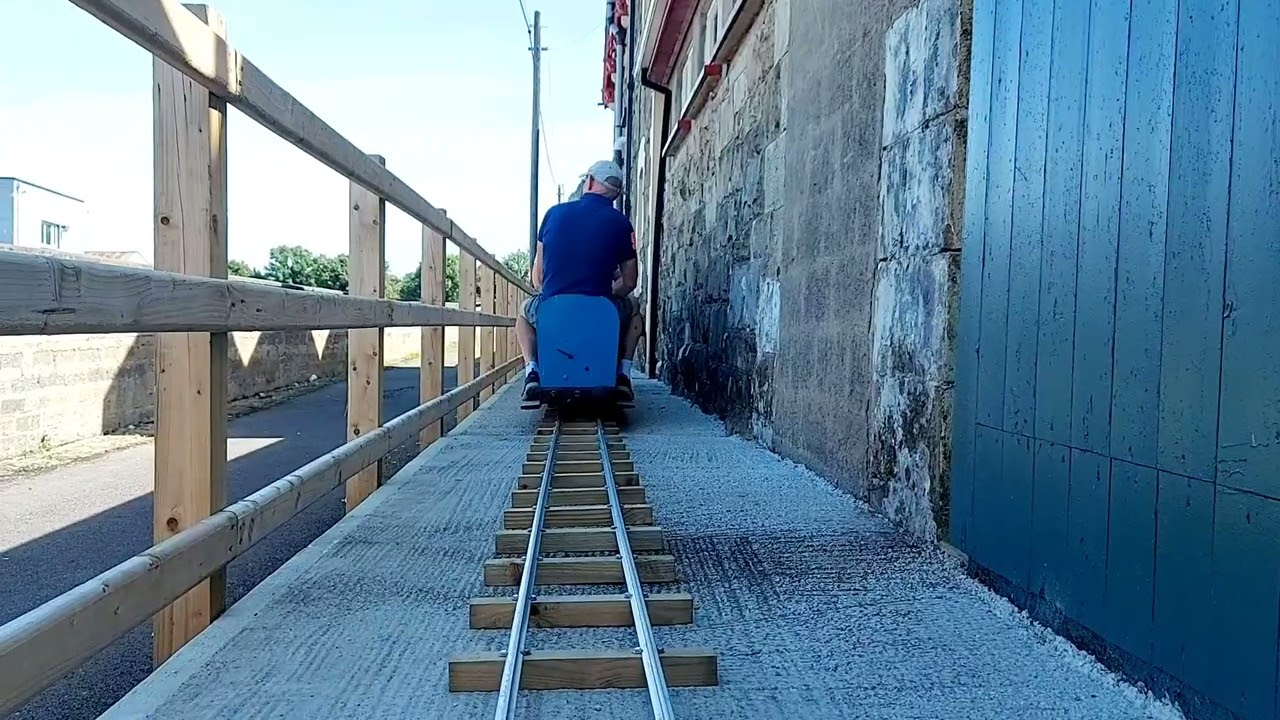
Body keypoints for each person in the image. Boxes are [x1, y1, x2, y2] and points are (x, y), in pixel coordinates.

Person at [517, 159, 644, 402]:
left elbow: (538, 278)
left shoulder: (553, 214)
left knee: (523, 314)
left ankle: (532, 372)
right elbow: (629, 282)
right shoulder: (621, 223)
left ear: (589, 181)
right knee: (635, 310)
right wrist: (604, 290)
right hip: (601, 309)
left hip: (553, 307)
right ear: (617, 193)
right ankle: (622, 377)